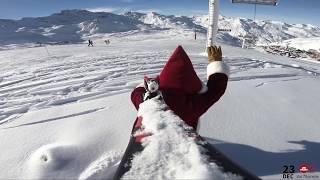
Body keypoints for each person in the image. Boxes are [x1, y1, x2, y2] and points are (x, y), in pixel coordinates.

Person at [130, 45, 229, 131]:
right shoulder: (191, 106)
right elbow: (215, 90)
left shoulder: (149, 99)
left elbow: (135, 95)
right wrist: (216, 63)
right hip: (185, 144)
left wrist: (146, 87)